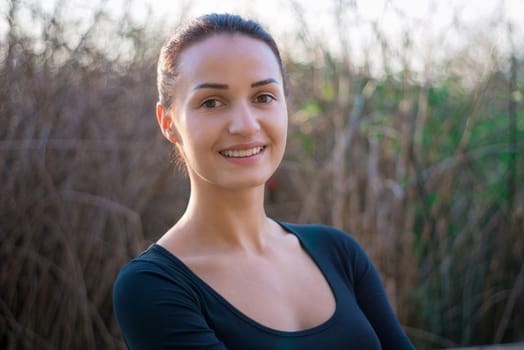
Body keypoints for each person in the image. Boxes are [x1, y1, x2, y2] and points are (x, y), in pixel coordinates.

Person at [113, 13, 416, 350]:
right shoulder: (152, 287)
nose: (245, 125)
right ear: (168, 122)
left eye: (263, 98)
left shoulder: (338, 253)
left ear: (286, 105)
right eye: (212, 102)